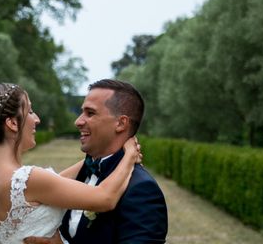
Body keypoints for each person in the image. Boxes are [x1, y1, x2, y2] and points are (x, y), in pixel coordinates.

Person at [0, 82, 142, 244]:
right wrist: (129, 155)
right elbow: (106, 198)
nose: (36, 119)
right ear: (12, 123)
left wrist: (100, 153)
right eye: (29, 111)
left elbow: (51, 185)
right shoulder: (27, 180)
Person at [25, 79, 168, 244]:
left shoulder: (142, 190)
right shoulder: (78, 175)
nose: (77, 121)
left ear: (121, 123)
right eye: (82, 112)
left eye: (90, 113)